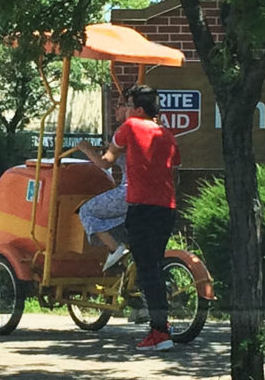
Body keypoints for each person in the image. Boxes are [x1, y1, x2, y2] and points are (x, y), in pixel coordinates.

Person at [99, 84, 181, 351]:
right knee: (154, 266)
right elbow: (174, 165)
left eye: (129, 105)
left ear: (139, 109)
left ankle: (159, 333)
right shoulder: (167, 135)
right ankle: (161, 326)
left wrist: (89, 150)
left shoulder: (131, 127)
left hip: (142, 207)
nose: (125, 110)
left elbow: (108, 160)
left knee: (147, 271)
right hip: (166, 208)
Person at [77, 96, 129, 271]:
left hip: (129, 192)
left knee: (86, 211)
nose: (115, 109)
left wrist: (86, 149)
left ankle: (115, 248)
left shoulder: (125, 131)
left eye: (119, 105)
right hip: (154, 194)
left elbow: (103, 163)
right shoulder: (153, 132)